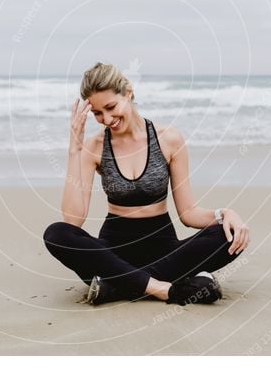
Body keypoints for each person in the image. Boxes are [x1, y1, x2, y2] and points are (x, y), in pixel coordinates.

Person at [43, 62, 250, 305]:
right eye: (97, 113)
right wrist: (74, 150)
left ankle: (117, 286)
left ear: (128, 92)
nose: (107, 119)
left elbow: (188, 213)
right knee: (56, 234)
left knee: (228, 235)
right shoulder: (94, 147)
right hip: (112, 252)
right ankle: (167, 288)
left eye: (111, 107)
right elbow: (73, 220)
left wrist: (225, 214)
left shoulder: (169, 139)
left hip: (164, 250)